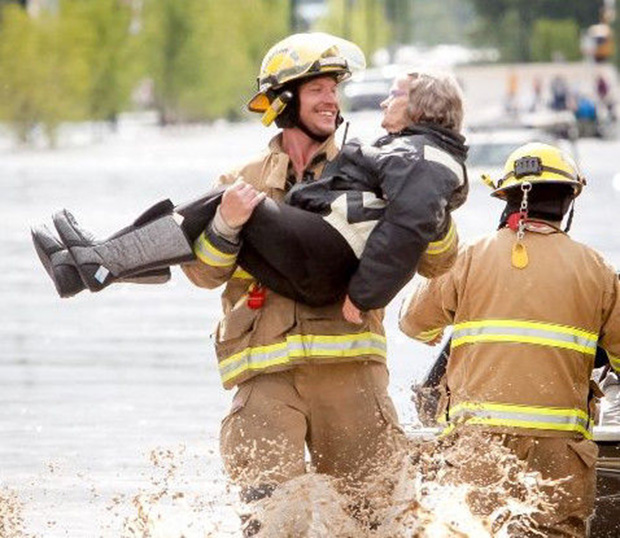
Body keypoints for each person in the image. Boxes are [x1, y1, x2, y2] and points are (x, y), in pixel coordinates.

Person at [32, 32, 468, 531]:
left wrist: (431, 209)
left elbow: (438, 263)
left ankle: (102, 262)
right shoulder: (241, 176)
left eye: (335, 89)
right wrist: (226, 226)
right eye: (318, 90)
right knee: (269, 524)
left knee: (377, 524)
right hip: (265, 382)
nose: (332, 101)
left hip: (352, 371)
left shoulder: (375, 164)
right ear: (286, 101)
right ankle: (106, 261)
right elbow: (203, 273)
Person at [399, 142, 620, 537]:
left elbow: (415, 326)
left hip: (479, 448)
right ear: (569, 200)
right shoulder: (599, 271)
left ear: (507, 198)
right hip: (560, 453)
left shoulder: (468, 258)